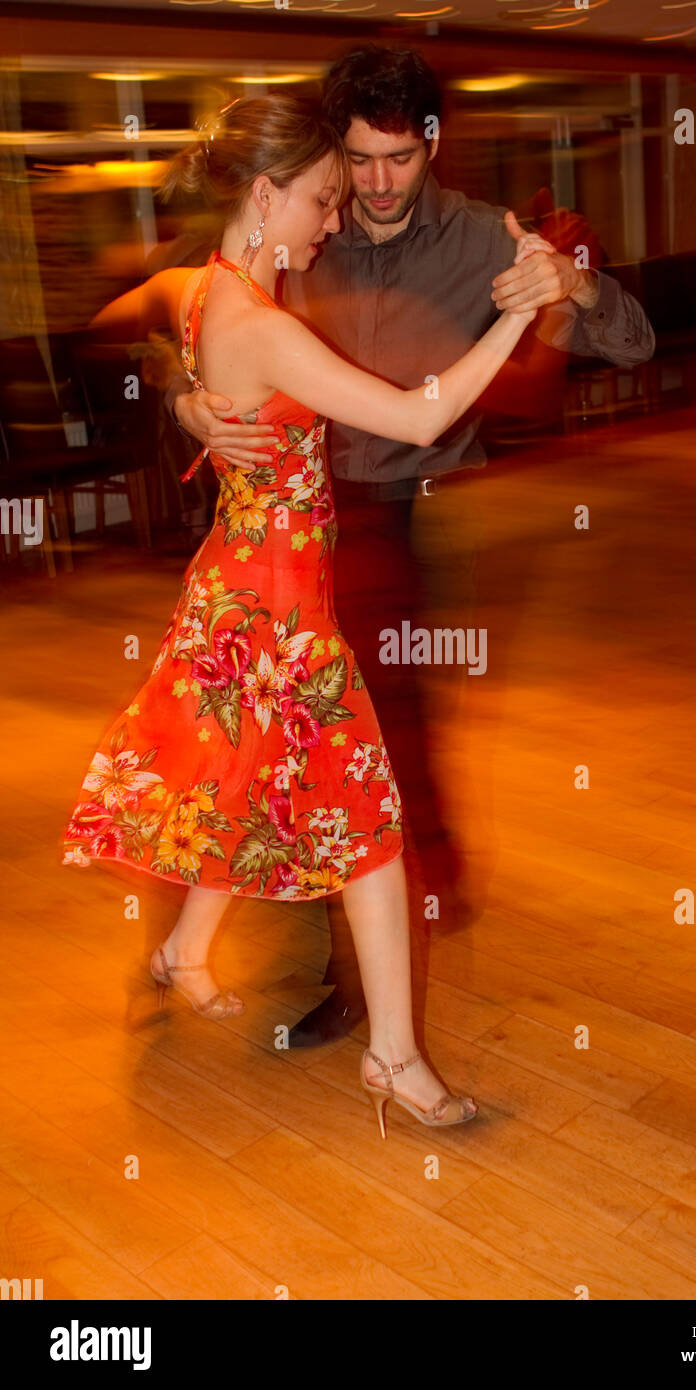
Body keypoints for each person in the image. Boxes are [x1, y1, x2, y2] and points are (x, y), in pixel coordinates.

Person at [62, 92, 543, 1137]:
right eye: (322, 199)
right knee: (369, 830)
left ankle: (185, 951)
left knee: (238, 781)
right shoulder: (260, 326)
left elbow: (121, 322)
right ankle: (394, 1058)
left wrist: (181, 390)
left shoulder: (200, 290)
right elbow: (420, 413)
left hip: (236, 585)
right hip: (278, 617)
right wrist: (518, 311)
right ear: (266, 191)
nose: (333, 220)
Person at [170, 45, 656, 1049]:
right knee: (255, 745)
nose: (376, 186)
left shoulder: (482, 237)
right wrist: (186, 402)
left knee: (376, 753)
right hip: (275, 531)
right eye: (357, 164)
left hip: (384, 520)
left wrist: (572, 286)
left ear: (429, 144)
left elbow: (633, 341)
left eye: (398, 158)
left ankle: (357, 975)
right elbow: (170, 315)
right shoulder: (303, 222)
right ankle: (287, 946)